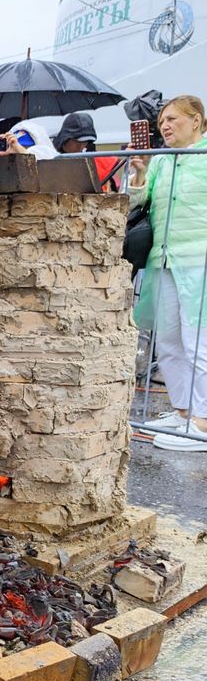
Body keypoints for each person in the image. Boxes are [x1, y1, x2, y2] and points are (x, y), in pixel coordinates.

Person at [127, 94, 207, 451]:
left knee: (198, 342)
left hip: (198, 260)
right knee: (169, 341)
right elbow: (137, 204)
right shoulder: (160, 160)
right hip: (163, 259)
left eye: (173, 119)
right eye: (162, 123)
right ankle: (183, 409)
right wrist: (140, 173)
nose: (166, 126)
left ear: (197, 121)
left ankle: (203, 423)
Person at [54, 112, 119, 191]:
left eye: (85, 142)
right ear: (65, 139)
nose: (81, 146)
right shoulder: (49, 155)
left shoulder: (98, 161)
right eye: (77, 142)